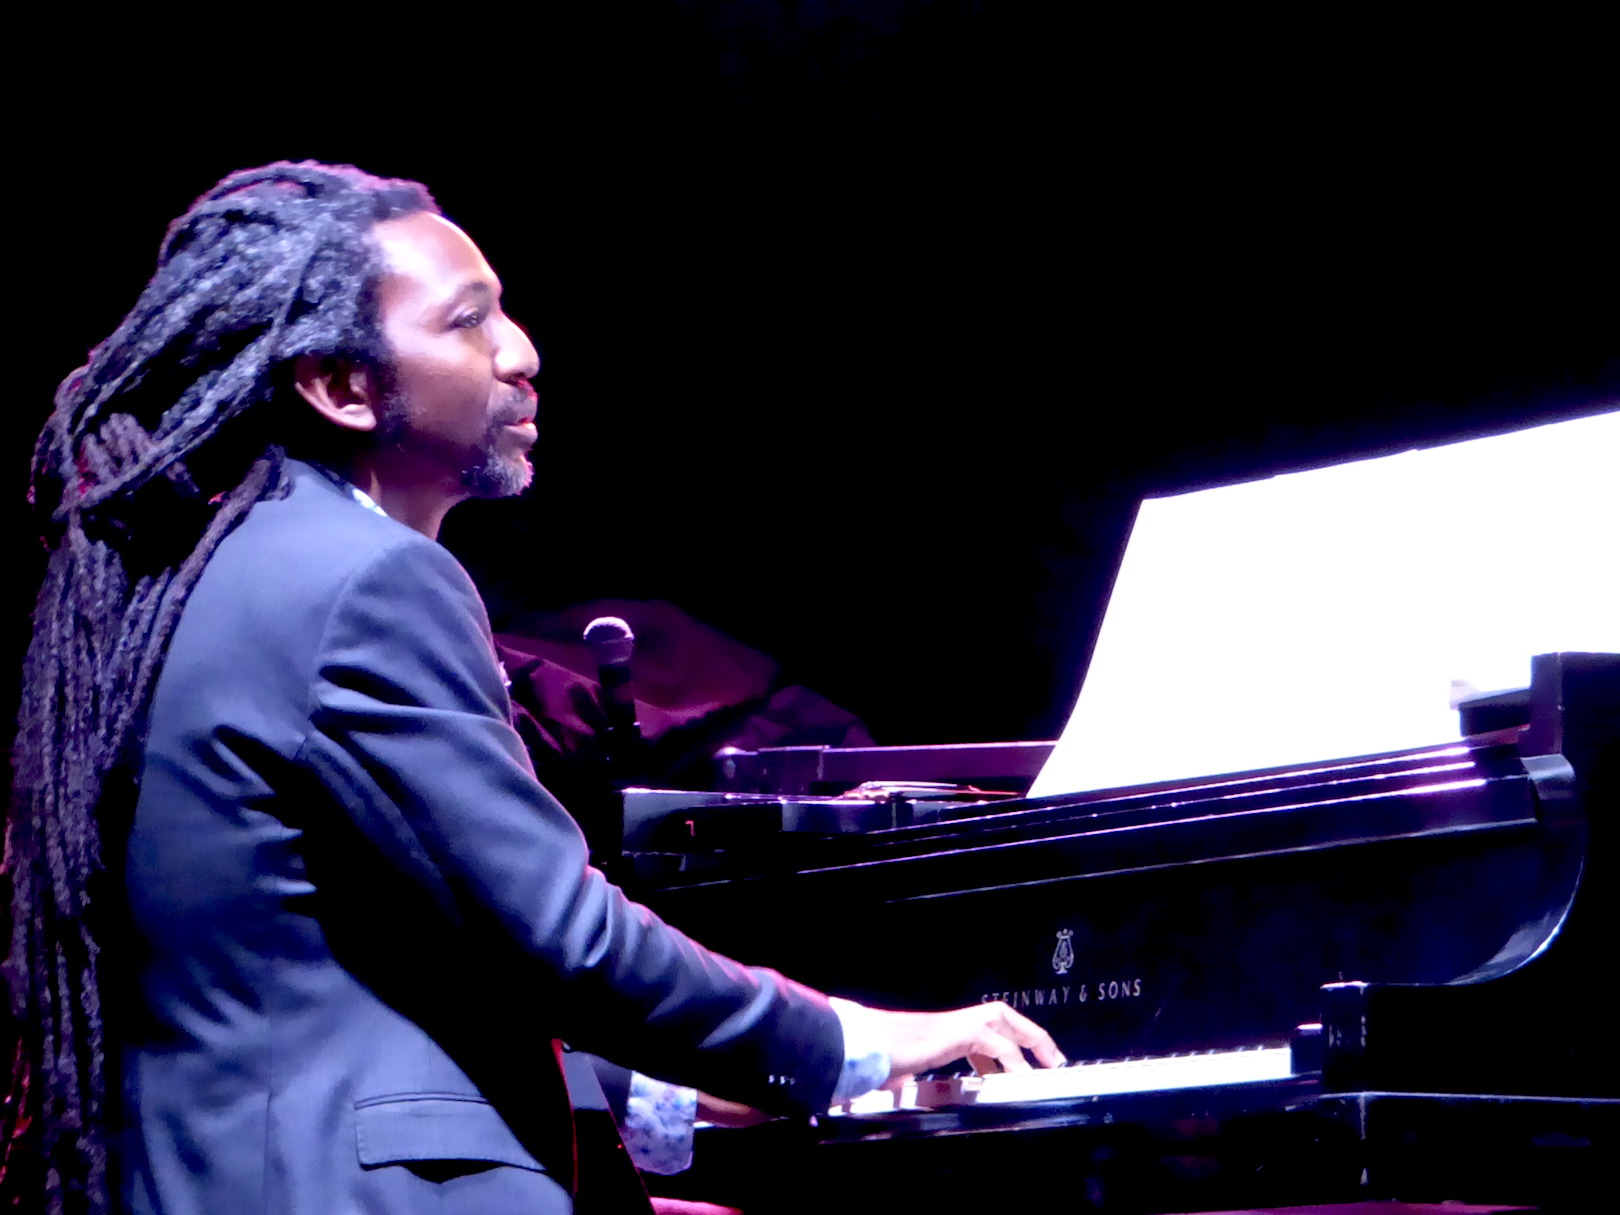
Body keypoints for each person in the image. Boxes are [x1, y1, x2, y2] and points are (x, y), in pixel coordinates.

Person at [4, 162, 1061, 1215]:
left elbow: (361, 970)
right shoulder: (369, 579)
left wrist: (673, 1095)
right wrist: (854, 1045)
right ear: (342, 387)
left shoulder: (210, 578)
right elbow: (566, 940)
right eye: (469, 321)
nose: (521, 353)